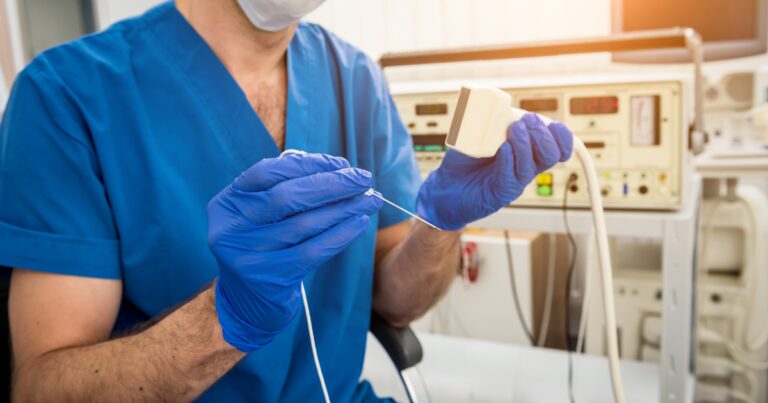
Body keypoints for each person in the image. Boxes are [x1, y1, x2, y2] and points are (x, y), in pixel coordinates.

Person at [0, 0, 573, 401]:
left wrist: (441, 222)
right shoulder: (67, 97)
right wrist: (226, 317)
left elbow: (396, 301)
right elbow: (42, 389)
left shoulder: (357, 80)